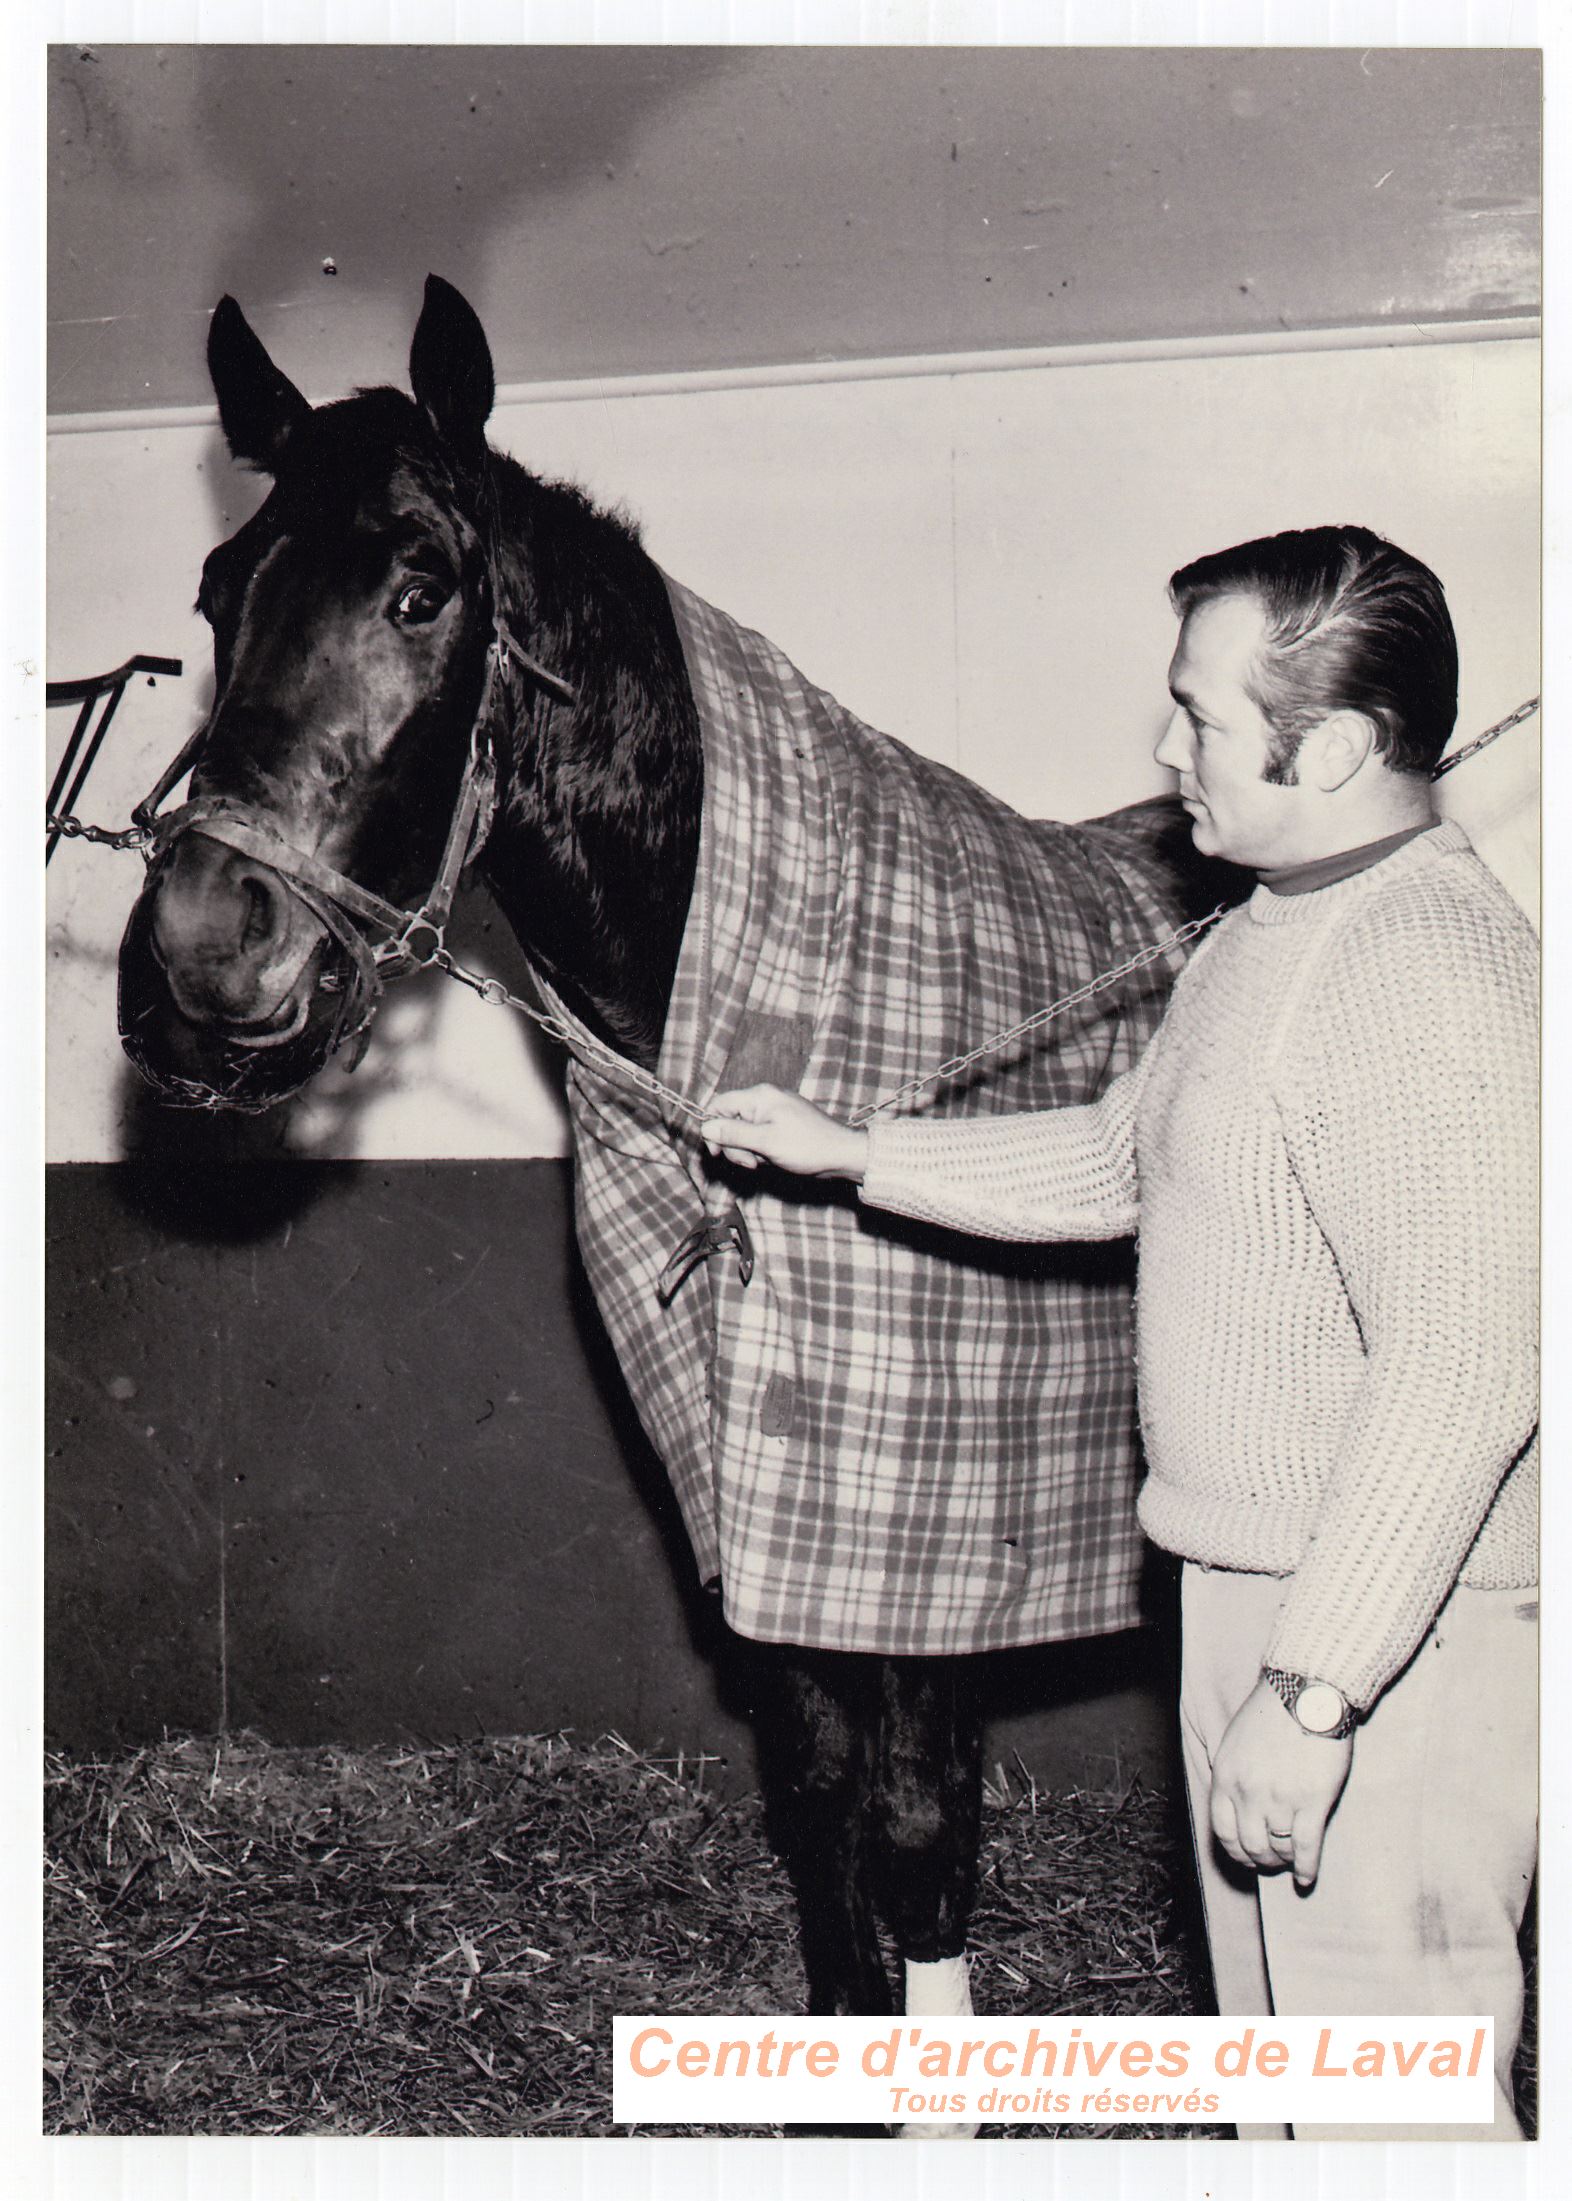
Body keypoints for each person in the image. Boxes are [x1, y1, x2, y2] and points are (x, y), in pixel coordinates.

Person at [700, 527, 1538, 2142]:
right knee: (1297, 2108)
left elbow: (1463, 1367)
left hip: (1393, 1641)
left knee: (1400, 2119)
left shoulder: (1429, 966)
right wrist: (851, 1148)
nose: (1164, 753)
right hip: (1260, 1597)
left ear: (1341, 747)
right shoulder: (1268, 929)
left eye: (1203, 718)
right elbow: (1111, 1158)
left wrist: (1318, 1695)